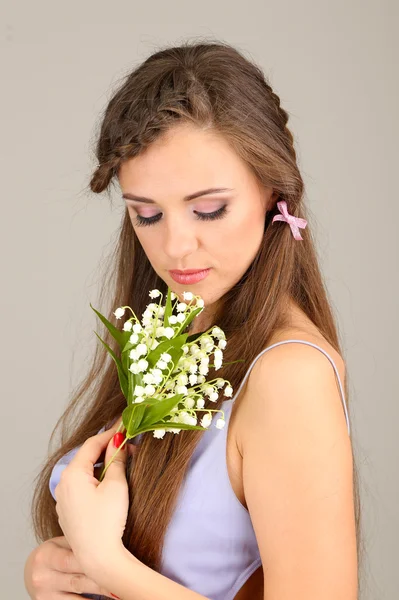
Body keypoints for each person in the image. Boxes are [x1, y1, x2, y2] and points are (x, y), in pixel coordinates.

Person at [25, 39, 360, 600]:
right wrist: (56, 569)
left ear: (272, 186)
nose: (177, 246)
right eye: (146, 214)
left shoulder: (288, 376)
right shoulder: (180, 332)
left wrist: (107, 564)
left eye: (209, 209)